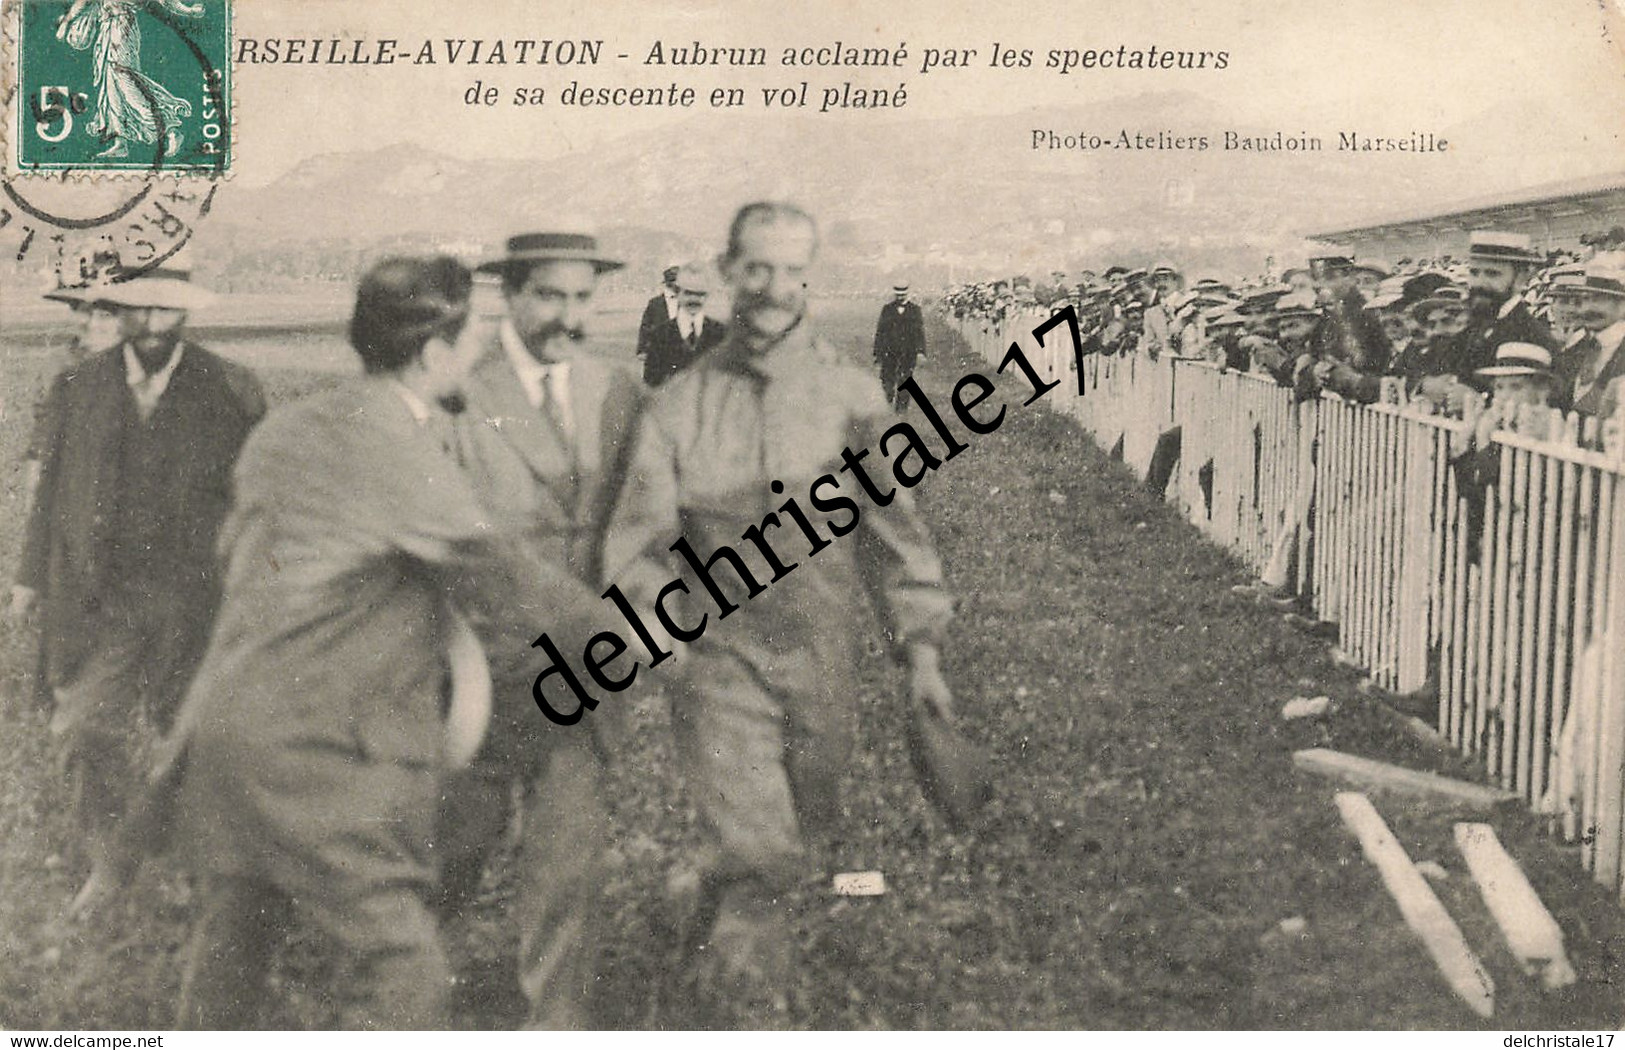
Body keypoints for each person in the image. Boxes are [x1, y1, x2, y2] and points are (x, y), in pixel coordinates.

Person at [606, 202, 955, 1014]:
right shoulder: (678, 405)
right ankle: (743, 1010)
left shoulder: (848, 398)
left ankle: (700, 896)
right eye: (753, 269)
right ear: (728, 273)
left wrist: (924, 655)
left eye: (789, 270)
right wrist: (663, 627)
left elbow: (895, 540)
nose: (770, 288)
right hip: (720, 661)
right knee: (760, 846)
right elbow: (635, 545)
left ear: (808, 276)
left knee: (799, 832)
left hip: (819, 657)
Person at [152, 256, 516, 1029]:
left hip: (233, 740)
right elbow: (508, 581)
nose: (484, 346)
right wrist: (648, 631)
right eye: (475, 331)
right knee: (403, 972)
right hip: (320, 754)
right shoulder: (398, 447)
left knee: (231, 953)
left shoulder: (284, 430)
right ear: (433, 353)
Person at [439, 230, 654, 1029]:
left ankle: (553, 1025)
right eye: (550, 296)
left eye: (581, 297)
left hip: (583, 673)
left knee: (570, 864)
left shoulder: (614, 391)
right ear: (511, 295)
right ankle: (399, 997)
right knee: (453, 848)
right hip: (478, 669)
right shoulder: (456, 389)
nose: (570, 315)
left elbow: (636, 526)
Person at [11, 267, 263, 878]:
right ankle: (110, 856)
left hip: (195, 597)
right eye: (138, 309)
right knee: (82, 727)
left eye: (166, 311)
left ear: (186, 315)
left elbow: (258, 499)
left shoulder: (229, 389)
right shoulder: (78, 385)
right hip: (103, 597)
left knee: (189, 738)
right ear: (115, 310)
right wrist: (28, 579)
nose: (151, 324)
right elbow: (54, 497)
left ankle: (182, 859)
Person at [1551, 266, 1625, 419]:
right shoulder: (1582, 348)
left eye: (1598, 299)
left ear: (1622, 305)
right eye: (1585, 299)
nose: (1587, 308)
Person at [641, 262, 727, 387]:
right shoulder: (660, 335)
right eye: (688, 293)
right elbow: (651, 385)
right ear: (678, 293)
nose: (694, 299)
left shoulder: (721, 333)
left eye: (700, 294)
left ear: (707, 296)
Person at [873, 282, 928, 409]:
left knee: (905, 379)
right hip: (889, 351)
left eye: (902, 295)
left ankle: (901, 409)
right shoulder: (887, 309)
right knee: (887, 378)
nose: (900, 297)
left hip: (908, 352)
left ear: (907, 294)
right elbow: (880, 331)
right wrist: (878, 352)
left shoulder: (915, 310)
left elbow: (919, 332)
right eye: (898, 295)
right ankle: (886, 403)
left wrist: (920, 351)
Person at [636, 264, 682, 366]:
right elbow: (645, 326)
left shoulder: (685, 302)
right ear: (670, 283)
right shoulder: (655, 303)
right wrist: (642, 350)